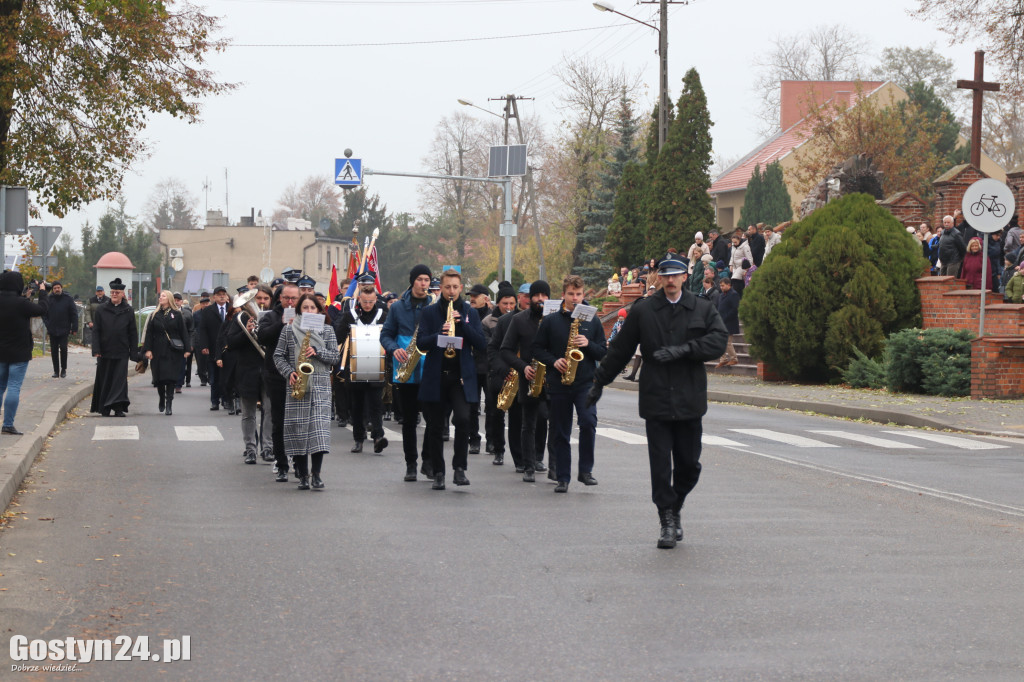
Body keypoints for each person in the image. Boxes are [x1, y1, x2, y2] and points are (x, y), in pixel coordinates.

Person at [587, 254, 728, 549]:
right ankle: (666, 519)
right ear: (659, 278)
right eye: (666, 275)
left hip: (689, 398)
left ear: (684, 277)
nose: (671, 280)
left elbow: (718, 342)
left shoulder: (701, 308)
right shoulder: (644, 311)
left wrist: (684, 350)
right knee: (661, 465)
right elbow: (621, 349)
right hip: (657, 398)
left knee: (689, 465)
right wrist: (599, 381)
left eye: (676, 275)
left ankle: (675, 506)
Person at [532, 275, 607, 492]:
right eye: (571, 294)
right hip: (559, 382)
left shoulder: (592, 320)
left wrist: (588, 343)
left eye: (579, 294)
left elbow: (602, 351)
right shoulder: (551, 320)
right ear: (563, 294)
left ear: (584, 295)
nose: (575, 298)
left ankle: (585, 470)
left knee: (588, 422)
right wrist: (554, 361)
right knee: (561, 431)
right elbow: (537, 349)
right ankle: (563, 477)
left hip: (585, 382)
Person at [416, 269, 487, 490]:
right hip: (436, 376)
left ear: (461, 289)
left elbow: (482, 344)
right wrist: (440, 333)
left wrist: (462, 326)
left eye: (455, 287)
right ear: (441, 288)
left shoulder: (469, 312)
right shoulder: (429, 312)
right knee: (436, 426)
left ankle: (460, 468)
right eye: (447, 287)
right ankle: (438, 472)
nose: (451, 291)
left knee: (464, 420)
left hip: (461, 377)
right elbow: (420, 343)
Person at [272, 293, 339, 490]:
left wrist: (318, 352)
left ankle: (316, 474)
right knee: (298, 430)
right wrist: (289, 372)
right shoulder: (288, 330)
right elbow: (278, 356)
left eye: (313, 308)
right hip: (297, 383)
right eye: (305, 308)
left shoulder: (327, 330)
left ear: (319, 311)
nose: (309, 311)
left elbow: (335, 357)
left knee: (318, 431)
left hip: (320, 385)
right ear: (299, 310)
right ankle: (302, 475)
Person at [381, 264, 434, 481]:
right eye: (420, 279)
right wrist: (394, 349)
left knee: (433, 419)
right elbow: (385, 335)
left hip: (430, 368)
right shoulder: (397, 308)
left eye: (427, 280)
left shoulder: (435, 305)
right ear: (412, 281)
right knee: (410, 420)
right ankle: (411, 463)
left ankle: (428, 461)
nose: (424, 284)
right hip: (406, 369)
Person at [500, 280, 552, 482]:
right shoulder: (520, 320)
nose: (540, 299)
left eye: (544, 295)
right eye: (537, 295)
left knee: (547, 420)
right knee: (528, 423)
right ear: (530, 298)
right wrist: (523, 367)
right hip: (528, 376)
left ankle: (545, 461)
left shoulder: (556, 319)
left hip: (552, 377)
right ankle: (528, 465)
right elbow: (505, 350)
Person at [336, 284, 389, 455]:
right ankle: (358, 439)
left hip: (376, 364)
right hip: (355, 366)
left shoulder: (383, 316)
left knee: (376, 404)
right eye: (365, 301)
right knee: (357, 405)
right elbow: (337, 336)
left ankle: (378, 438)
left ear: (375, 300)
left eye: (371, 301)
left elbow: (389, 335)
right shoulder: (349, 316)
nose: (368, 305)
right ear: (359, 299)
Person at [258, 281, 300, 482]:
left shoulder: (306, 315)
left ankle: (299, 463)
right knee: (279, 421)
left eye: (294, 298)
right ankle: (281, 462)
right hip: (276, 375)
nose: (290, 302)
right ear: (280, 299)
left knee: (299, 422)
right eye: (286, 298)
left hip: (300, 375)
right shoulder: (270, 316)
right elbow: (263, 337)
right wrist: (282, 322)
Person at [226, 284, 273, 464]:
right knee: (248, 413)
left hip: (269, 370)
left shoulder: (273, 318)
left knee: (269, 411)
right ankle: (250, 449)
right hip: (247, 371)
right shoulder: (240, 318)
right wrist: (247, 332)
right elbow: (230, 343)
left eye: (265, 299)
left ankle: (267, 448)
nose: (261, 302)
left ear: (270, 300)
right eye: (258, 299)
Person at [487, 286, 528, 470]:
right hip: (502, 375)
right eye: (507, 303)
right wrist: (504, 369)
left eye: (512, 303)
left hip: (522, 375)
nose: (510, 306)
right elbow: (493, 348)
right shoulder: (503, 321)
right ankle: (499, 450)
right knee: (496, 414)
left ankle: (520, 459)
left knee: (517, 419)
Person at [0, 271, 46, 435]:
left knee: (0, 387)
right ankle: (7, 424)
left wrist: (25, 296)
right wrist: (42, 292)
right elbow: (41, 309)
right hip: (19, 352)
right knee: (13, 387)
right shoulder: (21, 304)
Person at [90, 278, 138, 418]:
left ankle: (118, 408)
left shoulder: (128, 310)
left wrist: (133, 352)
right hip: (105, 351)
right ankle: (105, 407)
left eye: (117, 292)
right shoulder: (101, 309)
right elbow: (96, 331)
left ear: (123, 294)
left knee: (119, 381)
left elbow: (133, 332)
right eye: (112, 292)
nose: (114, 295)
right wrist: (96, 350)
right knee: (105, 379)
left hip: (122, 350)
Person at [141, 290, 191, 416]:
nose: (160, 298)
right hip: (157, 350)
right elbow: (149, 333)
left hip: (173, 351)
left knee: (170, 378)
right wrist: (148, 349)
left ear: (169, 299)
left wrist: (187, 349)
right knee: (159, 378)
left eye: (163, 296)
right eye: (160, 296)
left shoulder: (177, 314)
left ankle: (169, 403)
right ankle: (161, 398)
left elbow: (183, 332)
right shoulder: (154, 314)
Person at [466, 283, 492, 454]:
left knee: (491, 407)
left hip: (489, 366)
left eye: (476, 296)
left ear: (486, 298)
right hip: (472, 366)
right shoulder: (467, 314)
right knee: (471, 406)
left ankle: (491, 440)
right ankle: (474, 439)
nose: (472, 299)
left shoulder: (492, 316)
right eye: (471, 296)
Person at [197, 286, 231, 410]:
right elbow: (202, 329)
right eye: (219, 294)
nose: (222, 296)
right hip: (212, 347)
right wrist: (204, 345)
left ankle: (227, 400)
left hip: (229, 347)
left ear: (227, 296)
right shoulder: (207, 311)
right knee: (214, 377)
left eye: (224, 294)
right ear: (214, 297)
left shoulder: (232, 309)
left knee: (226, 376)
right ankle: (214, 401)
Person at [38, 280, 79, 378]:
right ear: (52, 289)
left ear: (61, 288)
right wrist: (47, 324)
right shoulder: (49, 299)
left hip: (64, 329)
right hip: (52, 329)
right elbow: (43, 313)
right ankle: (56, 371)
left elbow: (74, 314)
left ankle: (63, 369)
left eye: (58, 288)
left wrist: (74, 328)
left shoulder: (68, 299)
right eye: (55, 288)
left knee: (64, 349)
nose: (57, 289)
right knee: (54, 350)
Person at [715, 278, 740, 368]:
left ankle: (734, 358)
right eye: (720, 286)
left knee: (727, 342)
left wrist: (725, 318)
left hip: (729, 322)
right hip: (721, 322)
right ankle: (723, 359)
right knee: (720, 341)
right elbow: (719, 307)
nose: (721, 287)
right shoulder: (721, 295)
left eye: (723, 285)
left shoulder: (734, 294)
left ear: (729, 285)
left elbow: (734, 309)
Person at [173, 293, 194, 392]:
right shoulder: (166, 312)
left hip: (182, 343)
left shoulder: (187, 314)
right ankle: (171, 382)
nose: (176, 302)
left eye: (178, 300)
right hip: (169, 343)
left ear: (181, 302)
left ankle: (178, 384)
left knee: (182, 364)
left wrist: (190, 344)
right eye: (174, 300)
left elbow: (191, 330)